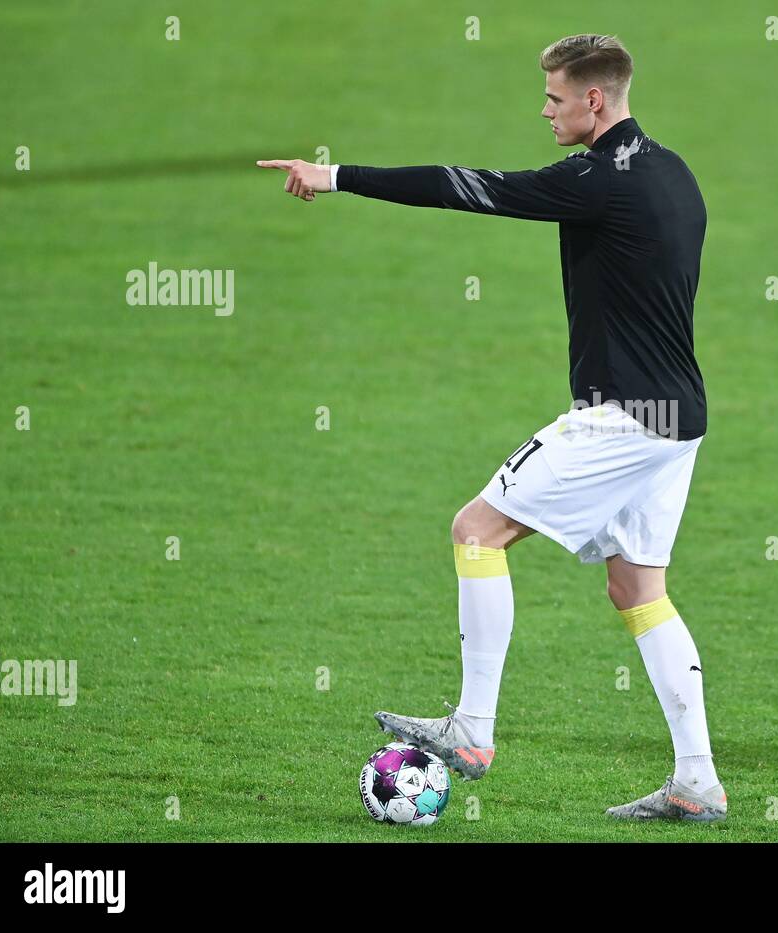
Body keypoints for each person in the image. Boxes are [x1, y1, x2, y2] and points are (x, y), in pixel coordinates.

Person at [257, 33, 724, 821]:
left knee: (477, 529)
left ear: (595, 101)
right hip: (680, 418)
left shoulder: (595, 183)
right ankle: (697, 781)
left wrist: (333, 175)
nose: (544, 109)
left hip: (625, 417)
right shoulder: (672, 171)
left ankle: (472, 729)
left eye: (554, 97)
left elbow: (462, 187)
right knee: (638, 587)